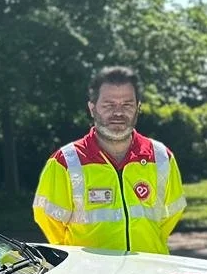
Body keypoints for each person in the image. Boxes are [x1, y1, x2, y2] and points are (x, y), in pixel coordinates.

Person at [32, 66, 185, 253]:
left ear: (138, 108)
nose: (118, 113)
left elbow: (170, 216)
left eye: (127, 104)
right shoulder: (65, 162)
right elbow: (49, 221)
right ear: (92, 108)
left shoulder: (162, 157)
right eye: (108, 105)